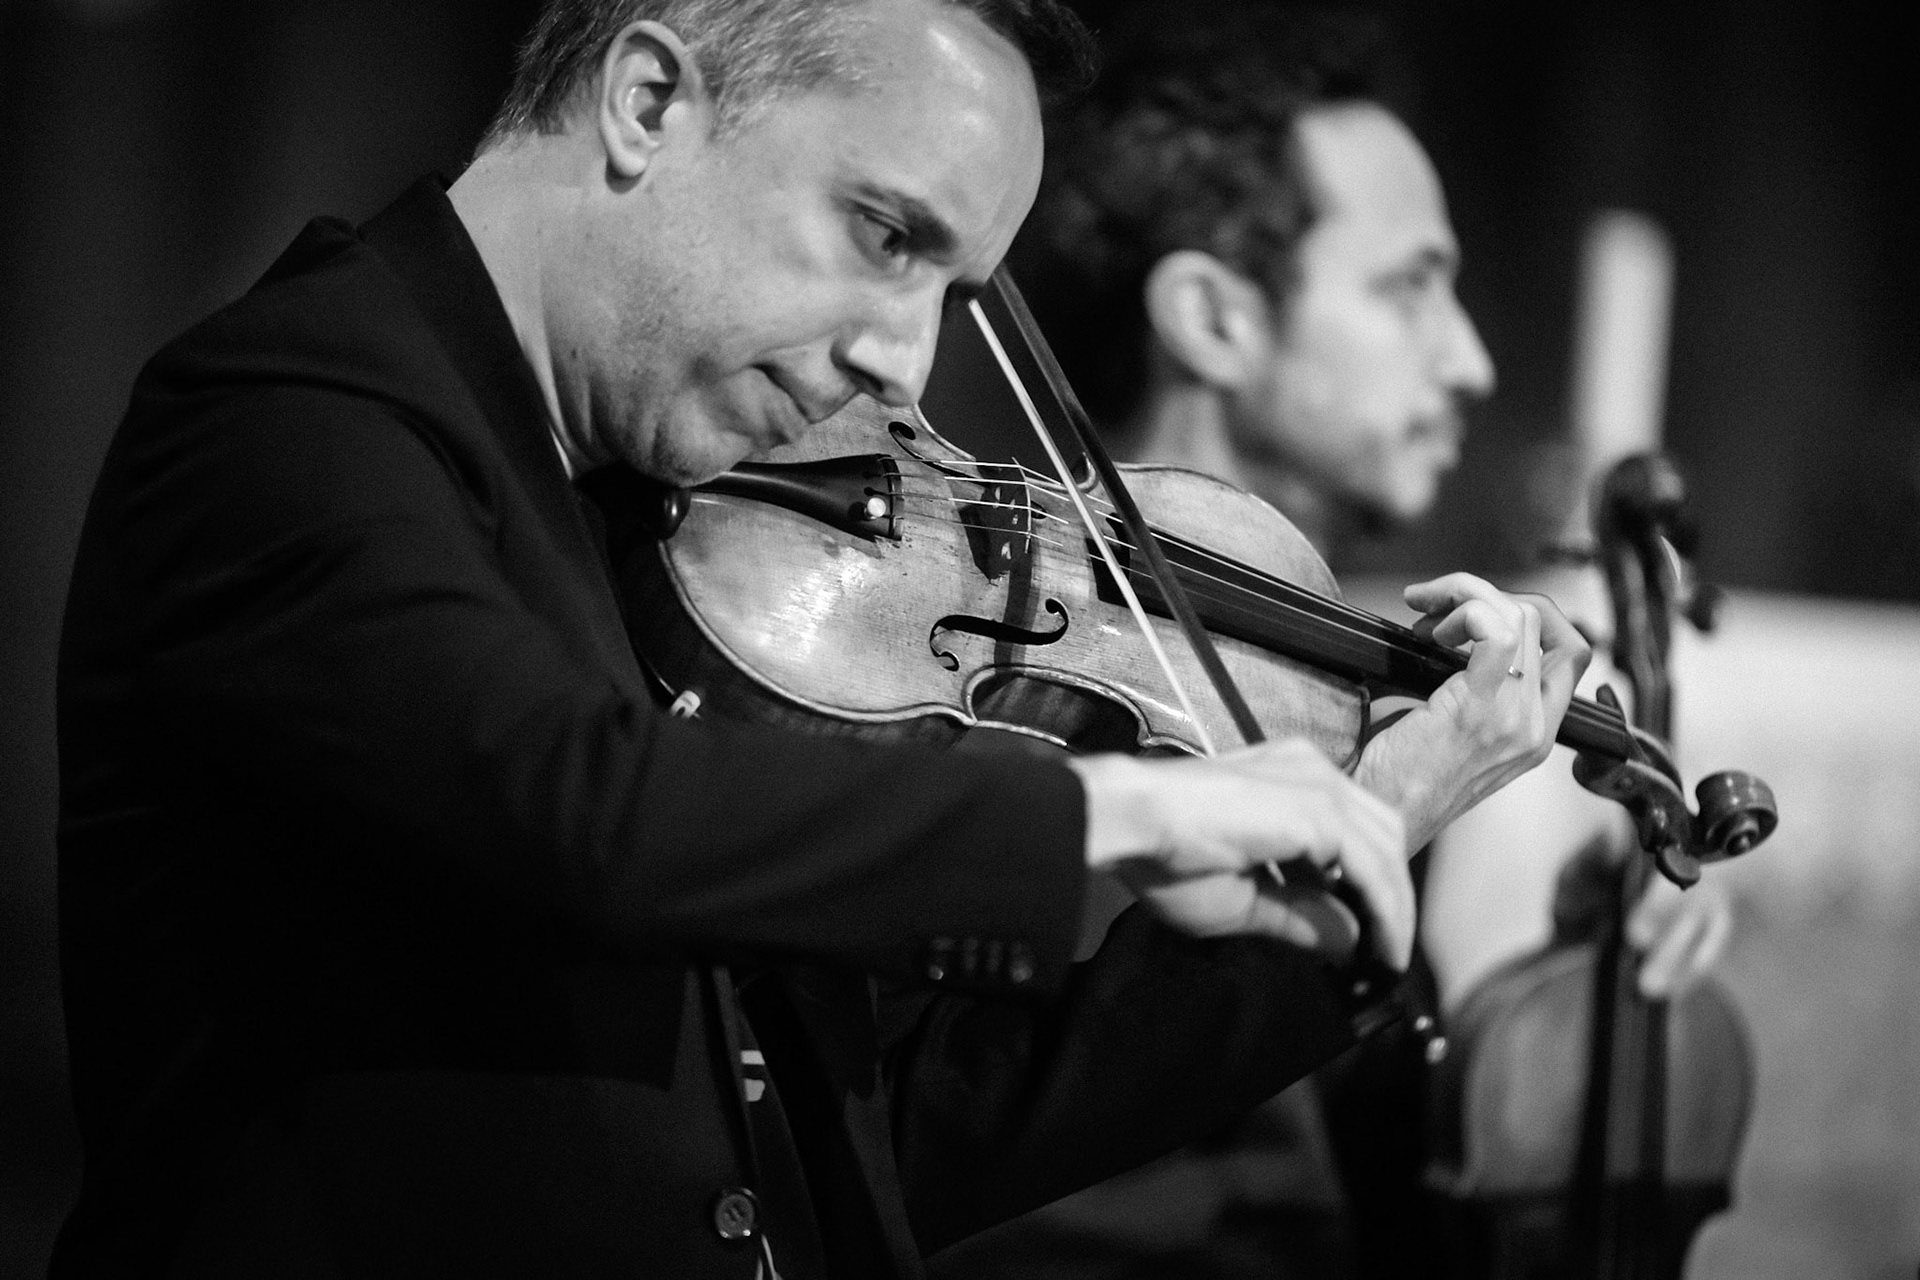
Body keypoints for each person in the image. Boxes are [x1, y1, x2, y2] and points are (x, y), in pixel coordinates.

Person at [51, 1, 1591, 1276]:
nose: (902, 357)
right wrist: (1119, 809)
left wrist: (1378, 820)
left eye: (951, 284)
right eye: (883, 233)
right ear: (650, 100)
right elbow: (570, 809)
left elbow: (881, 1142)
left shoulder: (658, 502)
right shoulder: (286, 415)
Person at [931, 3, 1731, 1278]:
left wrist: (1557, 1006)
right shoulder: (984, 690)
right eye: (1410, 287)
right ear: (1215, 317)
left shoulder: (1371, 688)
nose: (1471, 361)